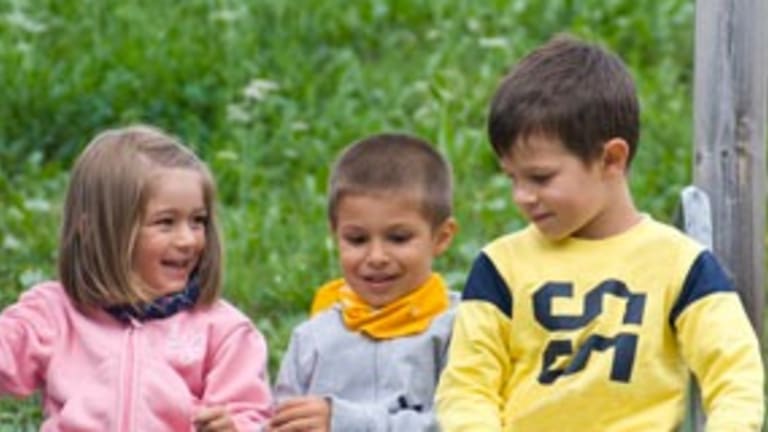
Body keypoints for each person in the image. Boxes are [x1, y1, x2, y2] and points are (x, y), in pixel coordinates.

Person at [435, 34, 764, 431]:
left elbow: (735, 374)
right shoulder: (500, 267)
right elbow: (466, 388)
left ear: (611, 158)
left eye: (540, 177)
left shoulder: (681, 265)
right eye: (512, 178)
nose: (522, 196)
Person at [0, 125, 273, 431]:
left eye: (198, 221)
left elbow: (252, 415)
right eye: (165, 222)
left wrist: (232, 427)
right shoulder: (54, 313)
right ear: (93, 231)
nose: (188, 239)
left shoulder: (224, 332)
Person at [269, 133, 459, 432]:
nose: (377, 257)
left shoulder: (460, 328)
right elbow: (280, 420)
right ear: (335, 234)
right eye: (357, 239)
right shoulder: (312, 337)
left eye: (398, 238)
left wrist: (345, 423)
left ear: (441, 237)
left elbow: (461, 423)